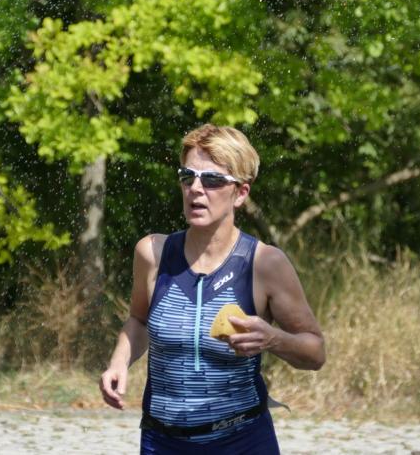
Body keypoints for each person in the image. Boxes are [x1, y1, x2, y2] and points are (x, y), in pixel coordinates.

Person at [99, 124, 325, 454]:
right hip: (162, 442)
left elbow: (315, 352)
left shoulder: (264, 263)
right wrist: (119, 362)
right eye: (187, 176)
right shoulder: (153, 254)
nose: (196, 188)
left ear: (241, 193)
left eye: (213, 180)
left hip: (242, 441)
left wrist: (274, 339)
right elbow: (138, 321)